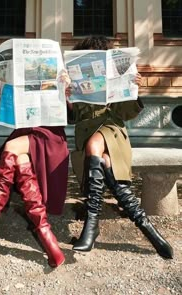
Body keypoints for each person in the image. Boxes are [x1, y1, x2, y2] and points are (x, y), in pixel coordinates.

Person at [65, 36, 173, 259]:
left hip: (112, 130)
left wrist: (133, 89)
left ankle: (91, 223)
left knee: (96, 145)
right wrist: (67, 97)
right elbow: (72, 118)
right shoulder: (75, 80)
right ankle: (148, 229)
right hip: (85, 133)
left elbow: (126, 114)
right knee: (103, 162)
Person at [0, 74, 69, 268]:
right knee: (19, 158)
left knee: (11, 147)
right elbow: (13, 117)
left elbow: (72, 115)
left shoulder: (59, 76)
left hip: (50, 138)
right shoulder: (20, 76)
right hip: (25, 134)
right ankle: (47, 238)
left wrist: (64, 91)